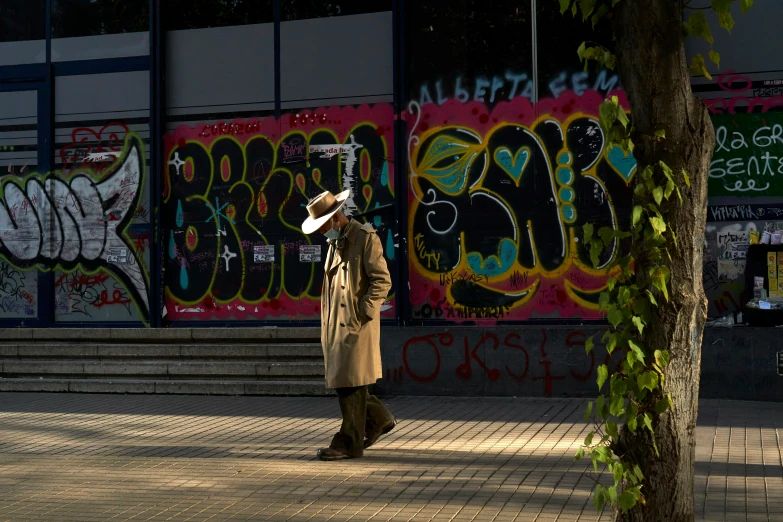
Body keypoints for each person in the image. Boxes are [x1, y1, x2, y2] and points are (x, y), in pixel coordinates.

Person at [301, 189, 397, 461]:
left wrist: (363, 311)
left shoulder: (365, 239)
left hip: (355, 326)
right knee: (348, 383)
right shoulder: (335, 242)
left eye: (322, 226)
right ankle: (380, 418)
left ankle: (348, 443)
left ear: (335, 218)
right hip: (336, 327)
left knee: (350, 386)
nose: (320, 232)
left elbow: (382, 281)